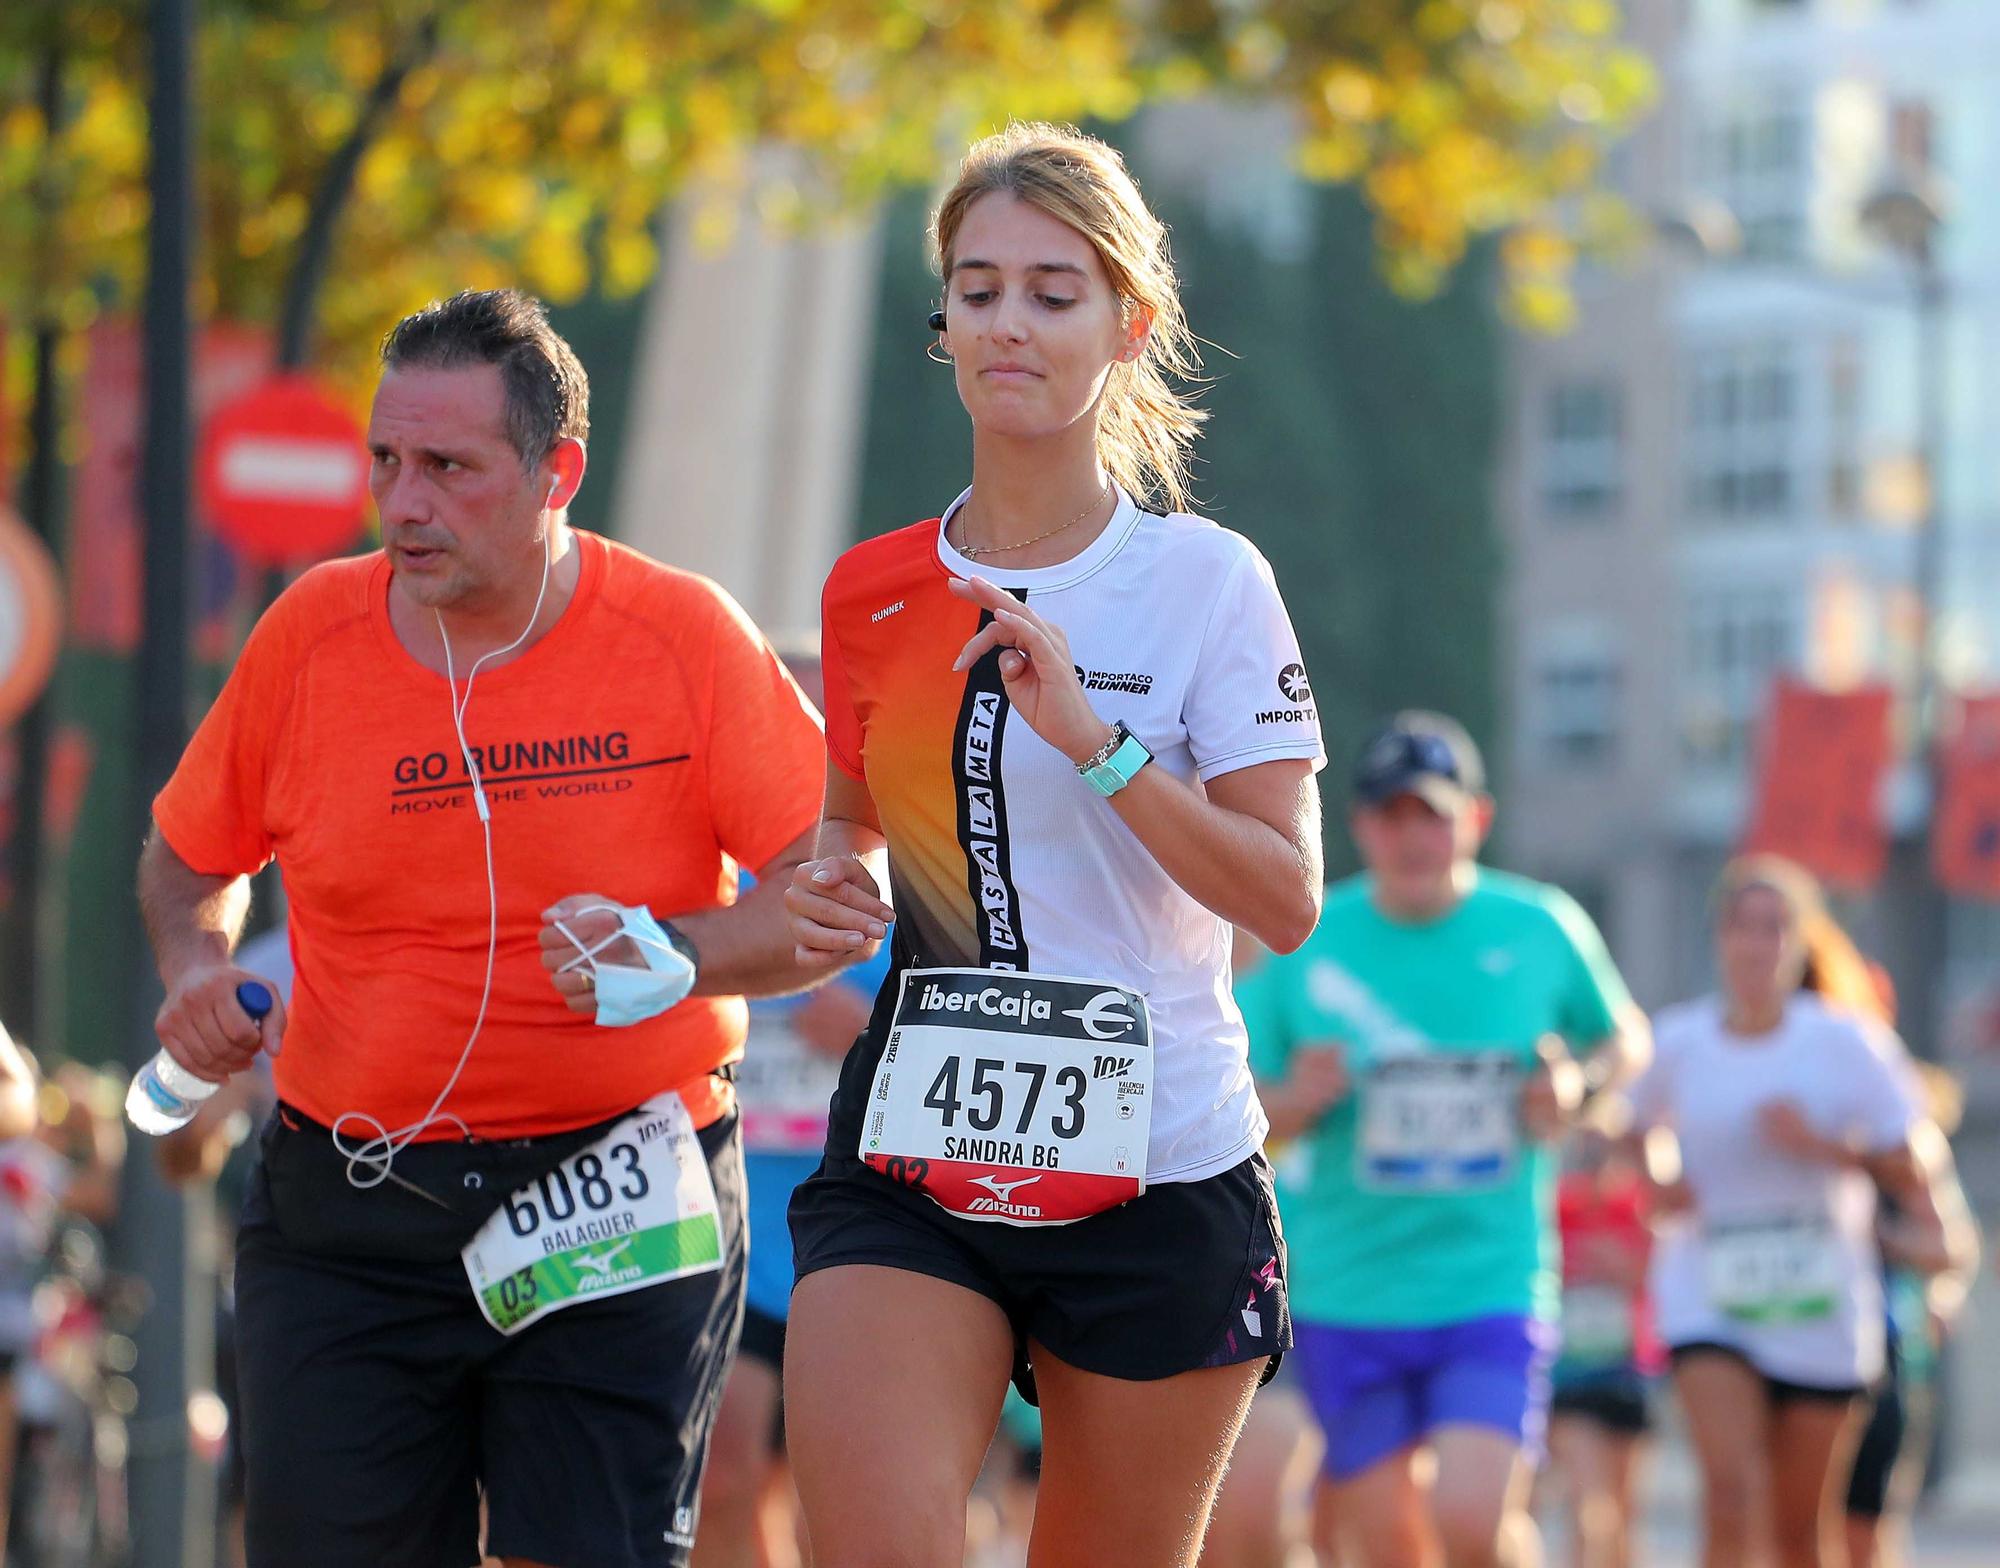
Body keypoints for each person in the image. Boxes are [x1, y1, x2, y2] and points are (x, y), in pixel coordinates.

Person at [139, 289, 830, 1568]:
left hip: (614, 1191)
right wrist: (196, 965)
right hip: (351, 1212)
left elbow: (831, 891)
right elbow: (187, 856)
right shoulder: (307, 640)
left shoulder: (681, 637)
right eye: (387, 463)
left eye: (449, 468)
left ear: (556, 471)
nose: (405, 504)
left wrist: (672, 950)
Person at [781, 122, 1327, 1568]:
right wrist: (823, 890)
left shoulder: (1205, 583)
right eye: (977, 289)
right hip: (920, 1154)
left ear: (1128, 323)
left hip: (1162, 1170)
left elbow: (1284, 897)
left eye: (1051, 290)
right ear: (944, 320)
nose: (1007, 322)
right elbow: (849, 842)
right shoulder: (875, 591)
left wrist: (1101, 744)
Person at [1247, 711, 1651, 1568]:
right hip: (1348, 1292)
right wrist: (1293, 1097)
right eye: (1391, 814)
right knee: (1392, 1544)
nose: (1412, 835)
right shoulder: (1305, 938)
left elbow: (1623, 1039)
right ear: (1357, 826)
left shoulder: (1541, 926)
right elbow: (1232, 1102)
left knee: (1471, 1519)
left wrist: (1576, 1087)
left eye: (1432, 812)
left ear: (1476, 818)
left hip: (1490, 1283)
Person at [1629, 855, 1963, 1568]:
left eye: (1776, 928)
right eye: (1743, 927)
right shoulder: (1682, 1040)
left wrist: (1822, 1147)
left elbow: (1918, 1160)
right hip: (1707, 1294)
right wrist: (1658, 1181)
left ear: (1803, 942)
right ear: (1719, 938)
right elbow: (1626, 1131)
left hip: (1821, 1306)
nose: (1757, 945)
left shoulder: (1845, 1043)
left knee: (1797, 1536)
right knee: (1729, 1496)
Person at [693, 649, 890, 1568]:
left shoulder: (908, 888)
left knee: (843, 1517)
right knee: (723, 1479)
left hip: (864, 1246)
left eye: (822, 733)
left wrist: (875, 1031)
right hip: (733, 1235)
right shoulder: (714, 892)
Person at [1541, 1128, 1658, 1568]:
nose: (1595, 1163)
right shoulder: (1554, 1207)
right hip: (1569, 1378)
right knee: (1589, 1504)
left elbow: (1667, 1280)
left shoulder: (1639, 1208)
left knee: (1625, 1515)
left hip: (1629, 1373)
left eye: (1604, 1151)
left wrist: (1624, 1270)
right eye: (1586, 1151)